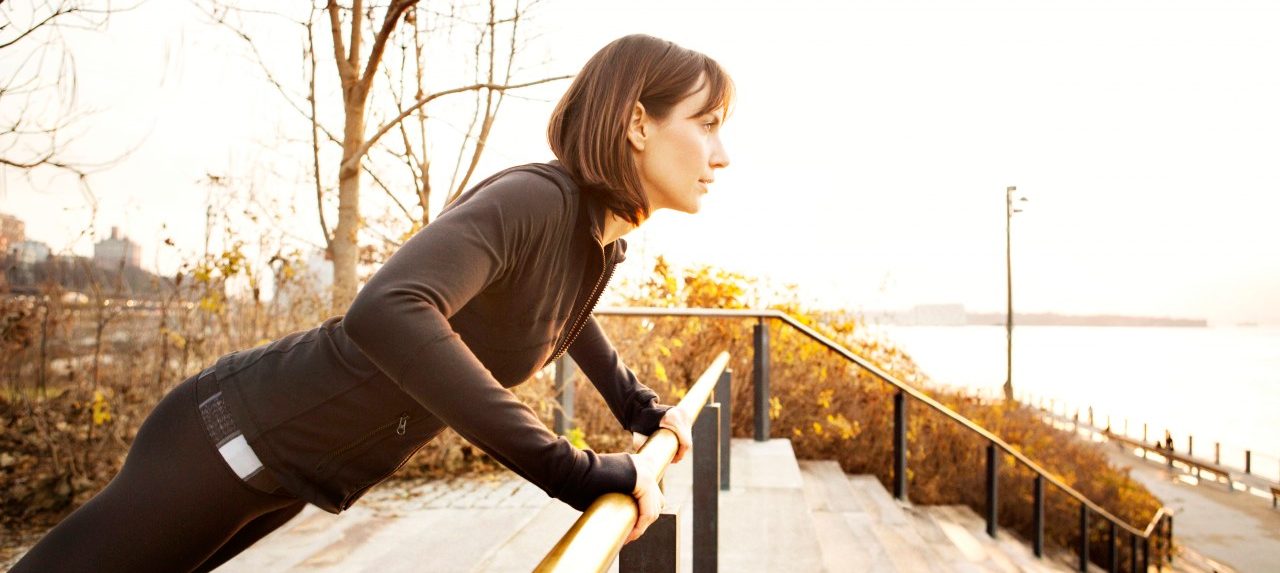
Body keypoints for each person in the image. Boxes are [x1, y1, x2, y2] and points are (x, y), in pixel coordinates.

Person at [12, 33, 733, 572]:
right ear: (638, 123)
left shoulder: (591, 240)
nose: (721, 154)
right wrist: (576, 471)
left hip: (283, 473)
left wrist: (638, 405)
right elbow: (390, 307)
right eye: (707, 124)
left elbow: (562, 316)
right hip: (226, 438)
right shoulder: (536, 200)